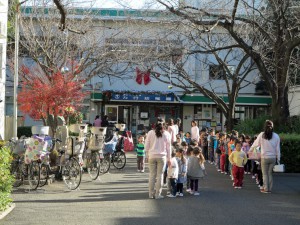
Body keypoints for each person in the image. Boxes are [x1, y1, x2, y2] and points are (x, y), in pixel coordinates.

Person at [250, 120, 280, 194]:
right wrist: (278, 158)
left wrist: (250, 150)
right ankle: (269, 188)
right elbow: (278, 149)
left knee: (265, 174)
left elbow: (255, 144)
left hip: (264, 157)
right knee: (270, 173)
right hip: (273, 158)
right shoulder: (276, 136)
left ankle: (266, 189)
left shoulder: (261, 135)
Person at [145, 118, 171, 199]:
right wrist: (169, 158)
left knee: (152, 175)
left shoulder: (150, 133)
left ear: (155, 125)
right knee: (160, 175)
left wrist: (146, 155)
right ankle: (157, 194)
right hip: (162, 157)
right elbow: (169, 148)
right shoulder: (166, 134)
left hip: (152, 156)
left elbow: (146, 145)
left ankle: (150, 194)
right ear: (164, 125)